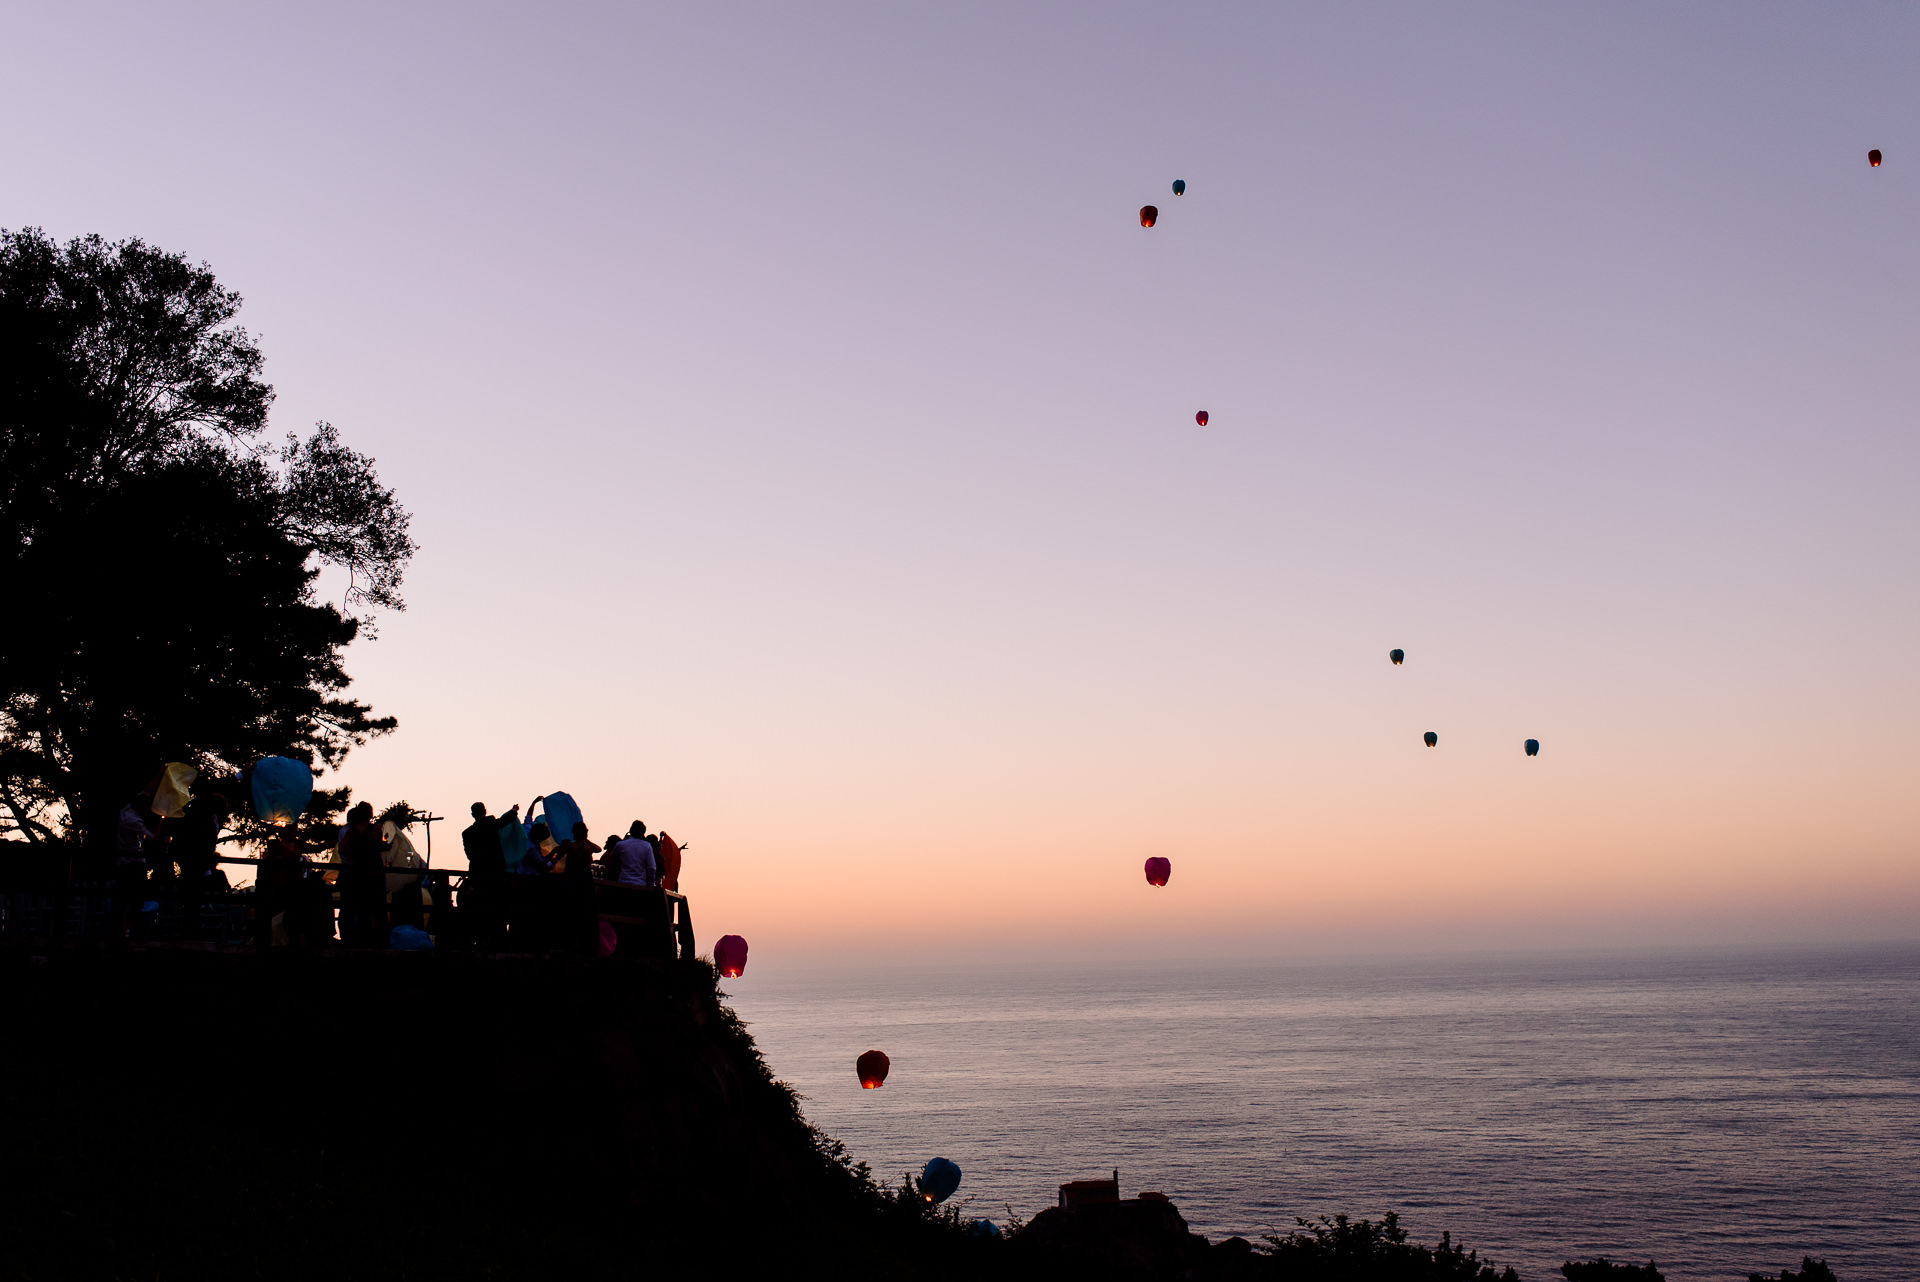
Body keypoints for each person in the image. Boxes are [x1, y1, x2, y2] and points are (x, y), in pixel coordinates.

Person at [461, 802, 510, 950]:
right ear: (485, 811)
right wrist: (513, 811)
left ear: (472, 814)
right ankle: (499, 940)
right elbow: (505, 821)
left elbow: (470, 855)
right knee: (499, 905)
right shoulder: (492, 824)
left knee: (478, 906)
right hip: (496, 873)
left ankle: (479, 939)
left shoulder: (467, 833)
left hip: (478, 874)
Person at [337, 802, 386, 947]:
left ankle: (351, 938)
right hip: (371, 870)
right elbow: (377, 846)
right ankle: (375, 939)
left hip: (358, 871)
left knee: (352, 907)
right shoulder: (374, 828)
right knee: (373, 907)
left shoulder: (352, 830)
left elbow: (342, 849)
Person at [111, 792, 155, 941]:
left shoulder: (125, 812)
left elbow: (145, 791)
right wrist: (162, 822)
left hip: (123, 863)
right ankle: (133, 933)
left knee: (122, 900)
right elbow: (152, 839)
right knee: (136, 900)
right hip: (134, 864)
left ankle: (118, 932)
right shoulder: (135, 822)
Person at [555, 822, 602, 957]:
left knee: (569, 915)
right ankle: (582, 946)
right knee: (583, 915)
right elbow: (598, 848)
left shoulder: (569, 846)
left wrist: (565, 844)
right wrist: (586, 840)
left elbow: (558, 856)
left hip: (571, 882)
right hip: (585, 884)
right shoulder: (588, 848)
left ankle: (568, 946)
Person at [609, 822, 657, 887]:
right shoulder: (647, 846)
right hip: (640, 884)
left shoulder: (620, 845)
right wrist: (651, 884)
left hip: (623, 882)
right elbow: (651, 868)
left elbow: (612, 859)